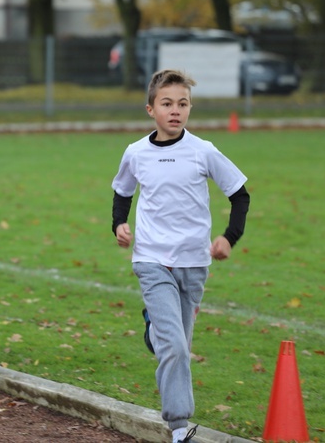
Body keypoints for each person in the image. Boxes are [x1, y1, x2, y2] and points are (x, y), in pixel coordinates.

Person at [110, 69, 250, 443]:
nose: (176, 111)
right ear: (150, 109)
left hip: (195, 263)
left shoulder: (203, 150)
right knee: (174, 348)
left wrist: (229, 238)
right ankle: (178, 427)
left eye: (183, 104)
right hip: (152, 259)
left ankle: (153, 326)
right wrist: (119, 225)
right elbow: (122, 191)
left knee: (176, 345)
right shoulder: (136, 152)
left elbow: (239, 195)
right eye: (167, 104)